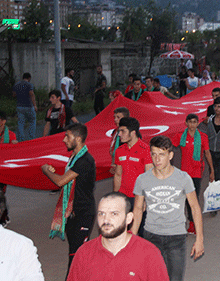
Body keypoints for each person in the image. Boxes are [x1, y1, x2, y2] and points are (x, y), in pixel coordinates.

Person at [131, 136, 204, 281]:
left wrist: (200, 239)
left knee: (175, 278)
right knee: (153, 278)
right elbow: (138, 209)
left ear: (170, 155)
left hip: (176, 237)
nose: (157, 159)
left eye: (161, 154)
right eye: (154, 154)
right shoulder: (142, 180)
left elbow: (195, 208)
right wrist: (132, 236)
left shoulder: (184, 178)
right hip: (151, 235)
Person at [66, 192, 169, 281]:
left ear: (128, 218)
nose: (106, 220)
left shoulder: (149, 253)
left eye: (114, 214)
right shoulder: (84, 253)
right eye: (101, 214)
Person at [41, 123, 96, 276]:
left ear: (78, 139)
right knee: (77, 255)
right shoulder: (74, 157)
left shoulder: (84, 160)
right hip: (73, 215)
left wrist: (46, 170)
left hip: (83, 214)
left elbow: (60, 182)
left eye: (67, 136)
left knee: (75, 257)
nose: (64, 139)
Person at [175, 114, 214, 234]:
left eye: (194, 122)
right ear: (186, 123)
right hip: (184, 173)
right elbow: (169, 149)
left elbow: (207, 153)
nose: (192, 124)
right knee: (186, 199)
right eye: (190, 122)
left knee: (194, 198)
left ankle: (193, 223)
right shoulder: (181, 136)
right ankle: (188, 222)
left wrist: (212, 170)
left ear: (198, 123)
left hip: (197, 171)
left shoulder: (203, 137)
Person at [113, 117, 153, 222]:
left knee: (140, 232)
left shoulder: (146, 150)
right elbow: (118, 175)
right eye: (119, 131)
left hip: (138, 198)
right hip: (123, 197)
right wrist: (115, 196)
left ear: (133, 132)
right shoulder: (119, 151)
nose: (119, 134)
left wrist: (145, 199)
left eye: (123, 131)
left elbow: (149, 177)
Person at [12, 72, 37, 141]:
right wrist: (34, 105)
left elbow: (14, 95)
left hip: (19, 106)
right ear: (29, 78)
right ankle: (31, 138)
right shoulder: (29, 85)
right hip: (29, 106)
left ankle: (21, 139)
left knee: (20, 123)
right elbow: (31, 94)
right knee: (32, 121)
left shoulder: (16, 84)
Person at [109, 107, 129, 174]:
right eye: (115, 117)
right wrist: (113, 164)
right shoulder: (115, 131)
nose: (115, 119)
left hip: (126, 166)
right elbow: (114, 150)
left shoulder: (129, 133)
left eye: (118, 117)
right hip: (117, 164)